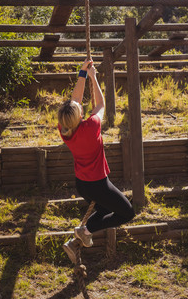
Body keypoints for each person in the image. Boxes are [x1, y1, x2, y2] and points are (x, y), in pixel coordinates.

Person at [58, 59, 135, 263]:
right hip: (98, 184)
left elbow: (74, 102)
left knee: (104, 209)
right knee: (127, 213)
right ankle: (86, 230)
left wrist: (83, 73)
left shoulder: (65, 130)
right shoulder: (91, 127)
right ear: (79, 115)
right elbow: (100, 104)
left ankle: (76, 240)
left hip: (82, 184)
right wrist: (93, 78)